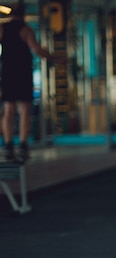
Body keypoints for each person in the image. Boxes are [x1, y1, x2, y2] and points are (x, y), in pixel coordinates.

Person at [0, 3, 56, 163]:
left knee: (9, 109)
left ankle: (9, 146)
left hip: (8, 74)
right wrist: (55, 58)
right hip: (23, 74)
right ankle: (23, 146)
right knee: (24, 109)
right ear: (24, 15)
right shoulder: (26, 30)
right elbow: (37, 50)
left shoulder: (3, 28)